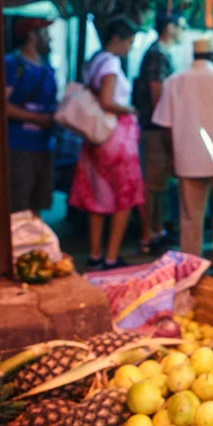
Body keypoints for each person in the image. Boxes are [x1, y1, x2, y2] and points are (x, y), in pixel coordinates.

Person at [152, 35, 213, 272]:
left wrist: (172, 157)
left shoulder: (173, 81)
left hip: (187, 158)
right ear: (212, 55)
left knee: (191, 215)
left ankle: (191, 265)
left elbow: (165, 125)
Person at [69, 16, 145, 270]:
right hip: (115, 137)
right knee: (124, 195)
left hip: (96, 138)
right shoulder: (111, 62)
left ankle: (95, 253)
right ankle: (111, 256)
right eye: (129, 42)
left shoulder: (94, 60)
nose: (130, 47)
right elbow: (107, 101)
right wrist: (131, 109)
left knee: (96, 196)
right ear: (117, 39)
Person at [133, 13, 185, 253]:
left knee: (158, 183)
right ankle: (147, 235)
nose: (182, 32)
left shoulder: (161, 53)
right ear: (169, 27)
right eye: (180, 27)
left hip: (158, 127)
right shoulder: (157, 55)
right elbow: (158, 98)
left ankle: (156, 230)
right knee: (152, 184)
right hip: (155, 129)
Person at [5, 17, 59, 215]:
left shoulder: (47, 68)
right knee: (19, 203)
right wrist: (36, 118)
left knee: (39, 201)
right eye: (45, 32)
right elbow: (2, 106)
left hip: (44, 145)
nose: (50, 37)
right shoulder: (13, 64)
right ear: (32, 35)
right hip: (18, 146)